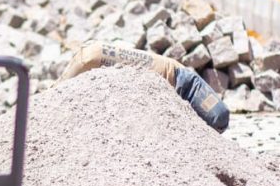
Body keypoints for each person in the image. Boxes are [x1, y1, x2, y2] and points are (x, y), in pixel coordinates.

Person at [61, 42, 230, 131]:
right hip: (180, 79)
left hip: (180, 79)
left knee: (219, 117)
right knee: (219, 118)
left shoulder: (90, 55)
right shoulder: (90, 57)